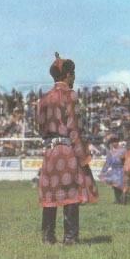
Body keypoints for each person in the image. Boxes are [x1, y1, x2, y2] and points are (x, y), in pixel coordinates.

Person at [37, 52, 99, 245]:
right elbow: (73, 128)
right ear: (67, 75)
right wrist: (83, 156)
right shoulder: (70, 95)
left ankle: (48, 237)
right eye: (73, 73)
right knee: (71, 194)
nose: (74, 77)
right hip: (66, 150)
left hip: (50, 152)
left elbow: (40, 126)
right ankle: (70, 237)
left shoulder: (44, 98)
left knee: (51, 194)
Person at [99, 137, 126, 204]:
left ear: (118, 142)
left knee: (122, 186)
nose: (114, 143)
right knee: (115, 186)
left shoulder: (123, 150)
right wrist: (103, 171)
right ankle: (117, 199)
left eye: (115, 142)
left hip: (122, 169)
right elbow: (108, 162)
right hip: (114, 170)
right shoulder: (110, 152)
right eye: (112, 142)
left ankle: (123, 199)